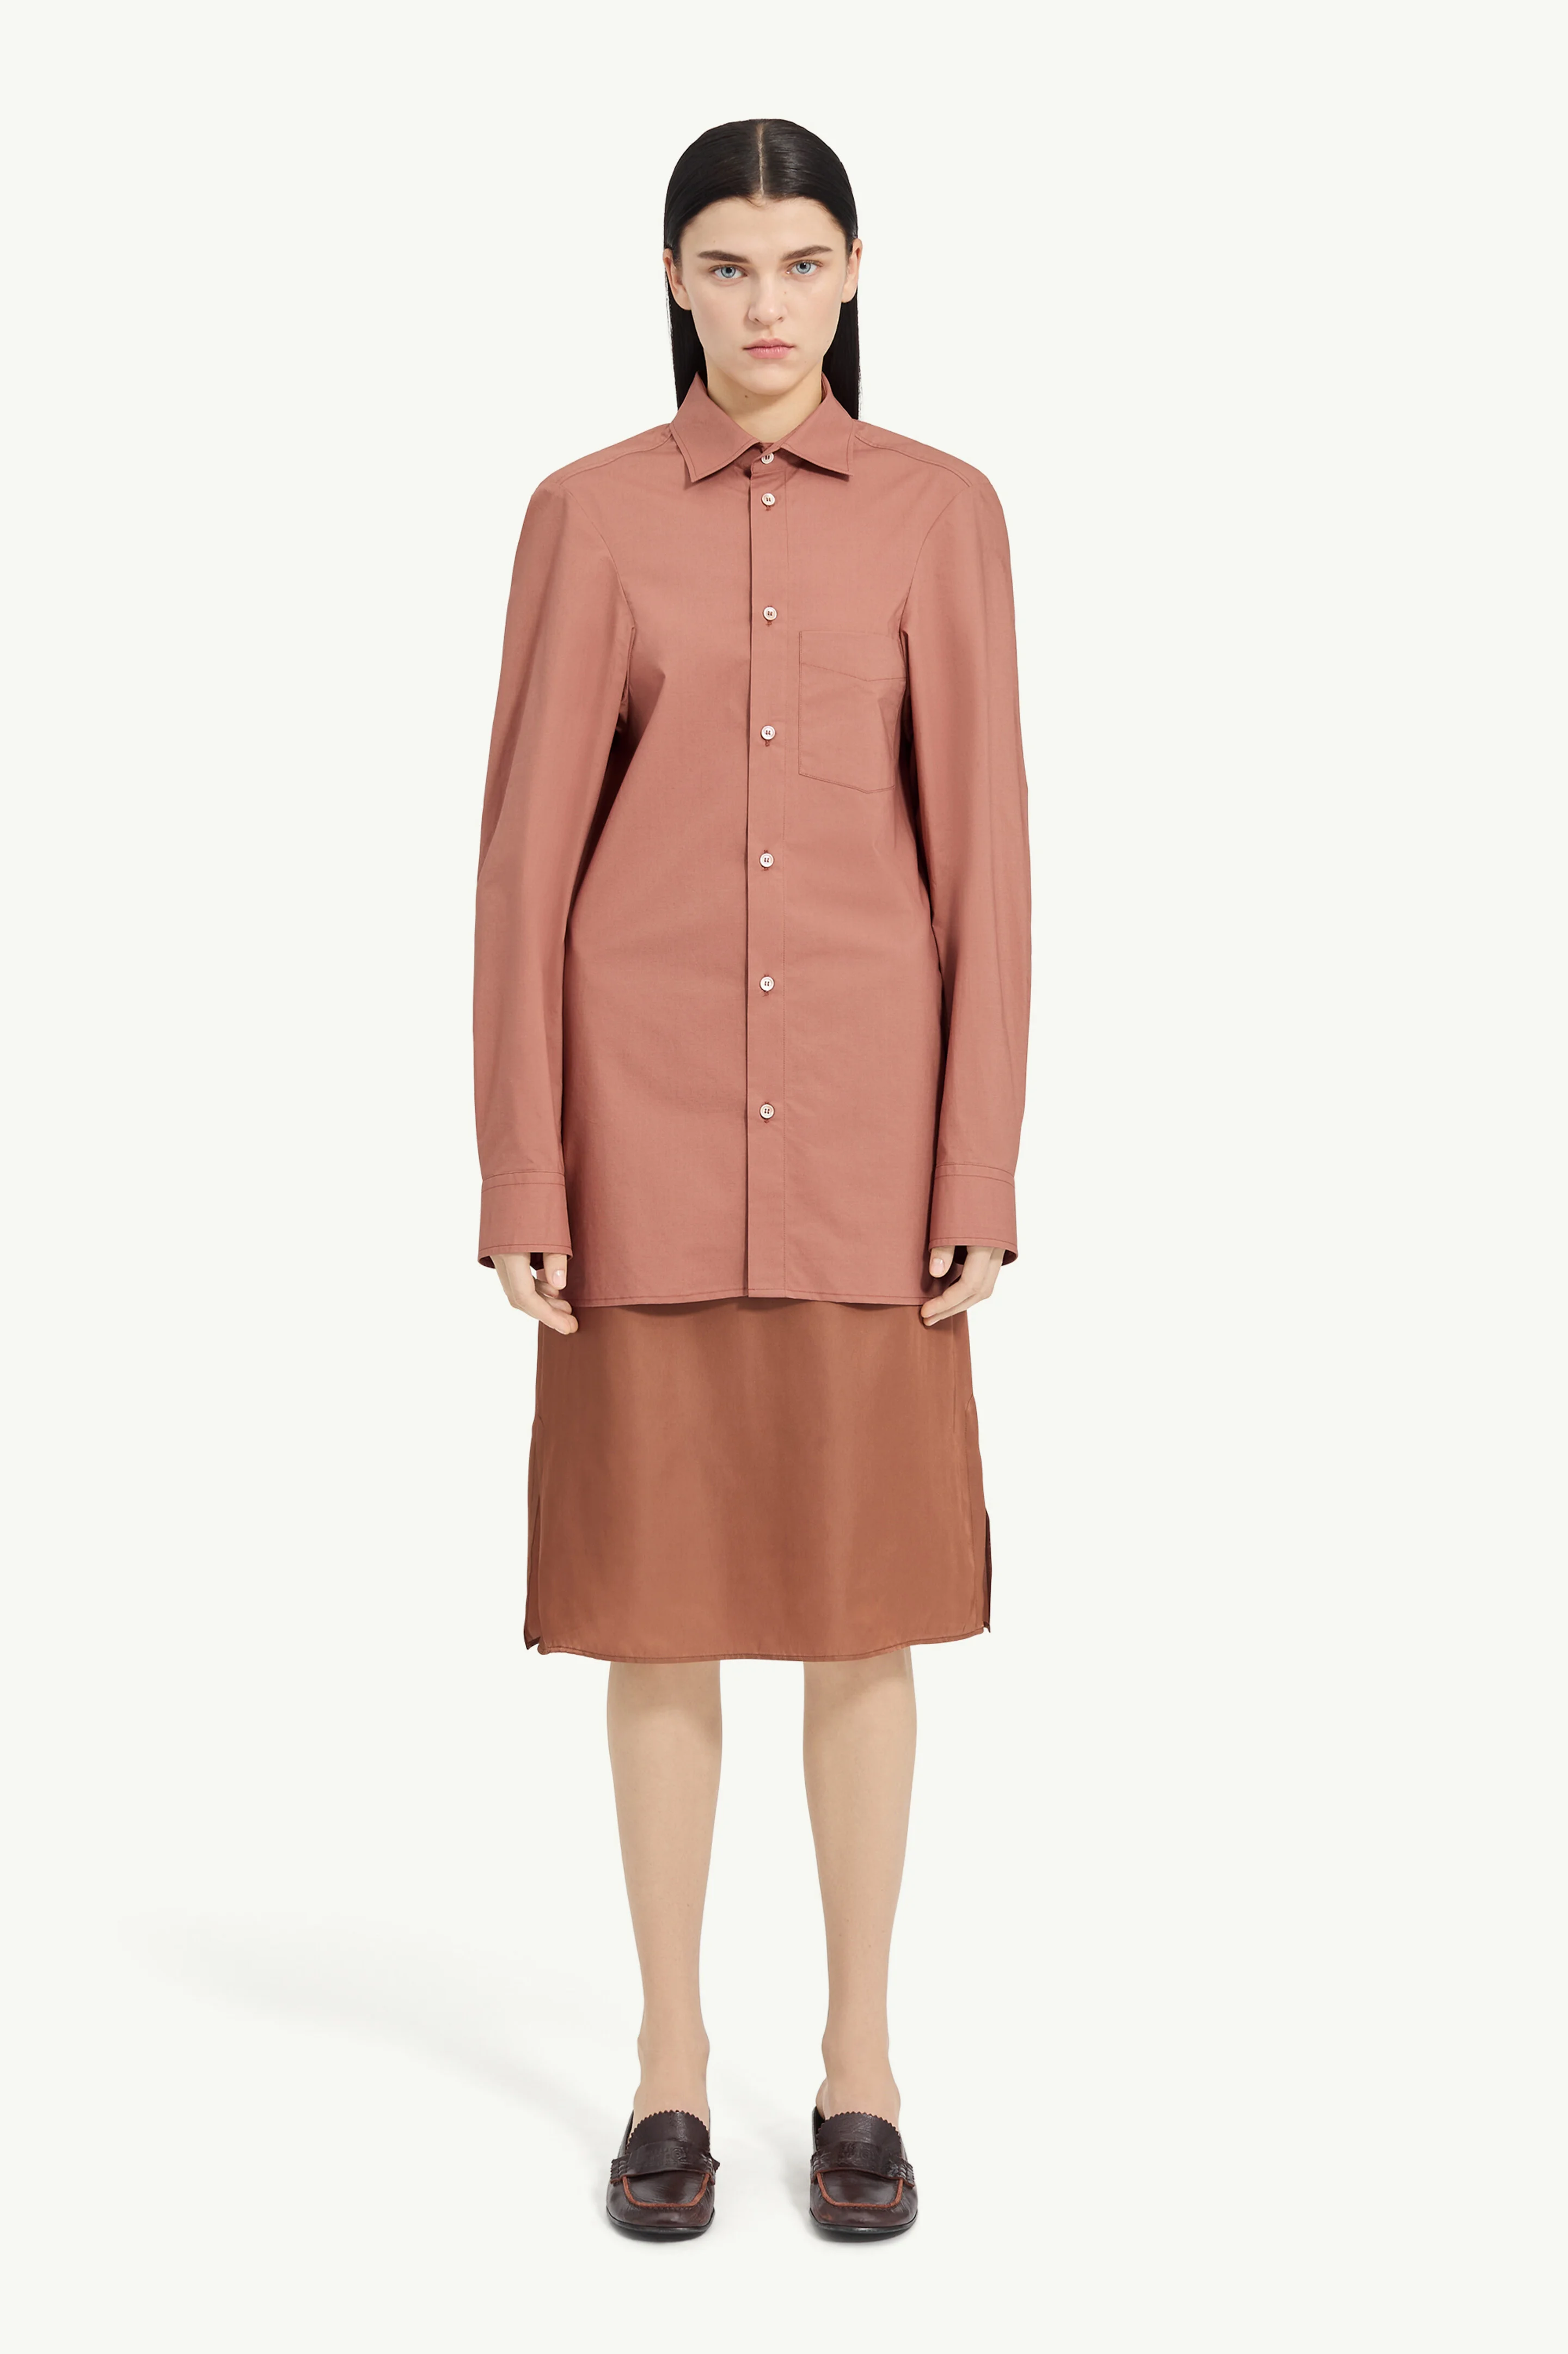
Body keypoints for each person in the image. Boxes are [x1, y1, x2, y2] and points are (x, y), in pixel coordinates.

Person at [473, 117, 1030, 2240]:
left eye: (803, 262)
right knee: (662, 1608)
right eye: (728, 263)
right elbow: (525, 866)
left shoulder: (944, 517)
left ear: (855, 273)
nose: (767, 302)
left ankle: (861, 2063)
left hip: (873, 1149)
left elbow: (987, 857)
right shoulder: (587, 516)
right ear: (675, 282)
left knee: (865, 1610)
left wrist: (977, 1154)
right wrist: (526, 1160)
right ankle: (670, 2065)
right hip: (645, 1133)